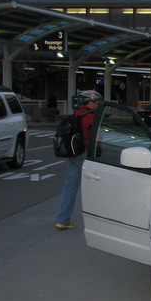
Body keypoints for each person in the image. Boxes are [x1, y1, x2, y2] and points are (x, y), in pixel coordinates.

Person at [54, 90, 101, 230]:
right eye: (97, 103)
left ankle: (62, 219)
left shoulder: (77, 114)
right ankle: (99, 219)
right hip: (85, 153)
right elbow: (97, 137)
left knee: (70, 188)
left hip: (73, 154)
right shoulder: (91, 117)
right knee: (95, 187)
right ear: (91, 102)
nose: (98, 105)